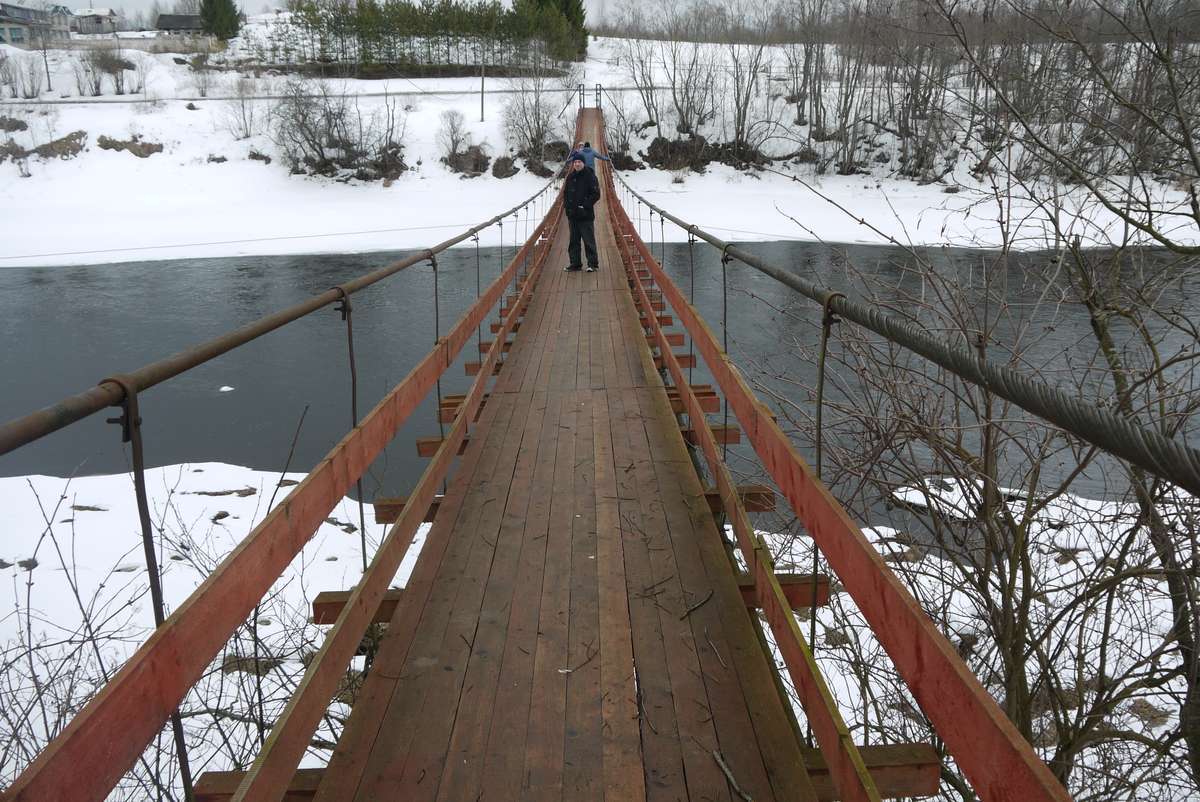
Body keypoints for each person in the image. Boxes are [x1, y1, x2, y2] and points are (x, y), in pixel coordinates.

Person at [563, 155, 601, 273]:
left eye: (579, 162)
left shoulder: (590, 176)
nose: (577, 164)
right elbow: (565, 194)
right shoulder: (570, 177)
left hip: (585, 215)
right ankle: (575, 264)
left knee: (588, 240)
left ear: (583, 163)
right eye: (575, 162)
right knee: (573, 241)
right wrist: (567, 208)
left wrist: (584, 206)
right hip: (572, 215)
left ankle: (592, 264)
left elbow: (596, 194)